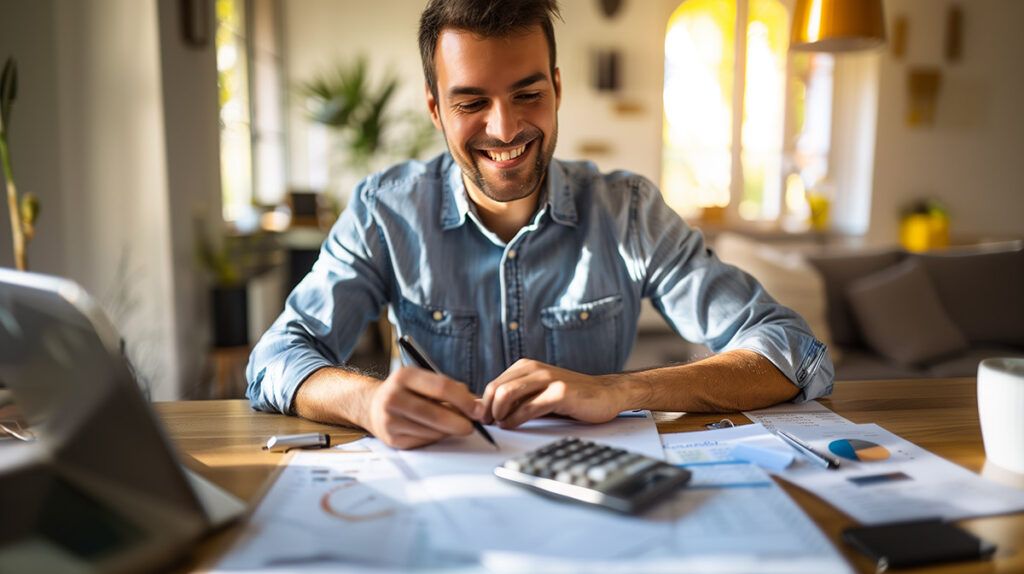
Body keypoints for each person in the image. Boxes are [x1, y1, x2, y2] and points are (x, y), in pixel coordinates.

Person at [246, 0, 833, 450]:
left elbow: (791, 352)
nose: (503, 130)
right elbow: (275, 358)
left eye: (526, 93)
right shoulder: (385, 210)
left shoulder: (627, 211)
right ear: (435, 109)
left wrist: (620, 389)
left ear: (556, 87)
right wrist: (366, 402)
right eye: (471, 103)